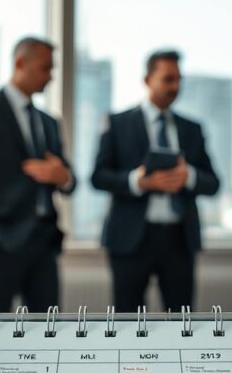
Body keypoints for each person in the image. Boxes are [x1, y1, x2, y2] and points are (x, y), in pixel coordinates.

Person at [0, 37, 75, 313]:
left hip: (44, 244)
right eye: (45, 68)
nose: (50, 77)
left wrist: (62, 176)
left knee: (47, 332)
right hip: (1, 243)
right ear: (20, 63)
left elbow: (69, 178)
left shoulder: (48, 122)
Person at [91, 50, 220, 312]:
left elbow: (213, 182)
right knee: (127, 322)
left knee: (182, 322)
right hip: (129, 240)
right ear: (147, 80)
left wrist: (189, 176)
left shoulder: (191, 129)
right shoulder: (117, 123)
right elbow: (98, 177)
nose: (176, 86)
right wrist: (138, 181)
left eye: (179, 79)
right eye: (168, 79)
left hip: (178, 240)